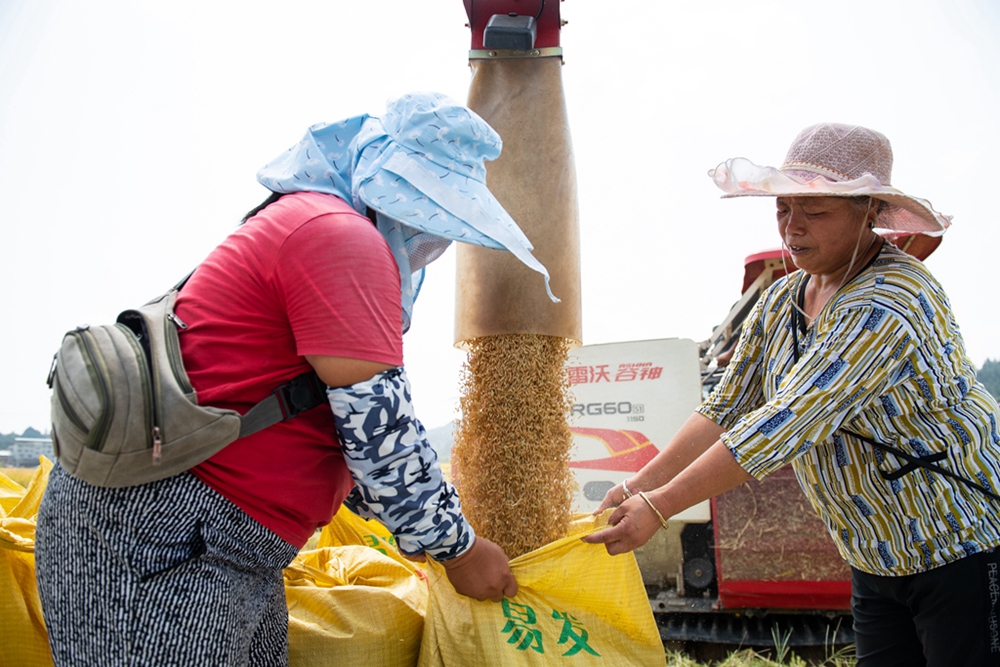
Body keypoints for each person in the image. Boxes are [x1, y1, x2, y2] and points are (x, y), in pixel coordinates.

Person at [35, 92, 558, 666]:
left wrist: (422, 526)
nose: (431, 240)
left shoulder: (314, 223)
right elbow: (381, 438)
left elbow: (327, 426)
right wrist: (457, 550)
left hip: (222, 544)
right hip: (164, 532)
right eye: (429, 216)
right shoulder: (341, 240)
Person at [583, 123, 1000, 666]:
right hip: (876, 553)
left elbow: (784, 423)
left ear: (868, 211)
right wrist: (638, 485)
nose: (792, 228)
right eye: (783, 209)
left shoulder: (889, 303)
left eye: (816, 212)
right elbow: (728, 406)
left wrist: (659, 508)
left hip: (960, 542)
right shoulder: (784, 299)